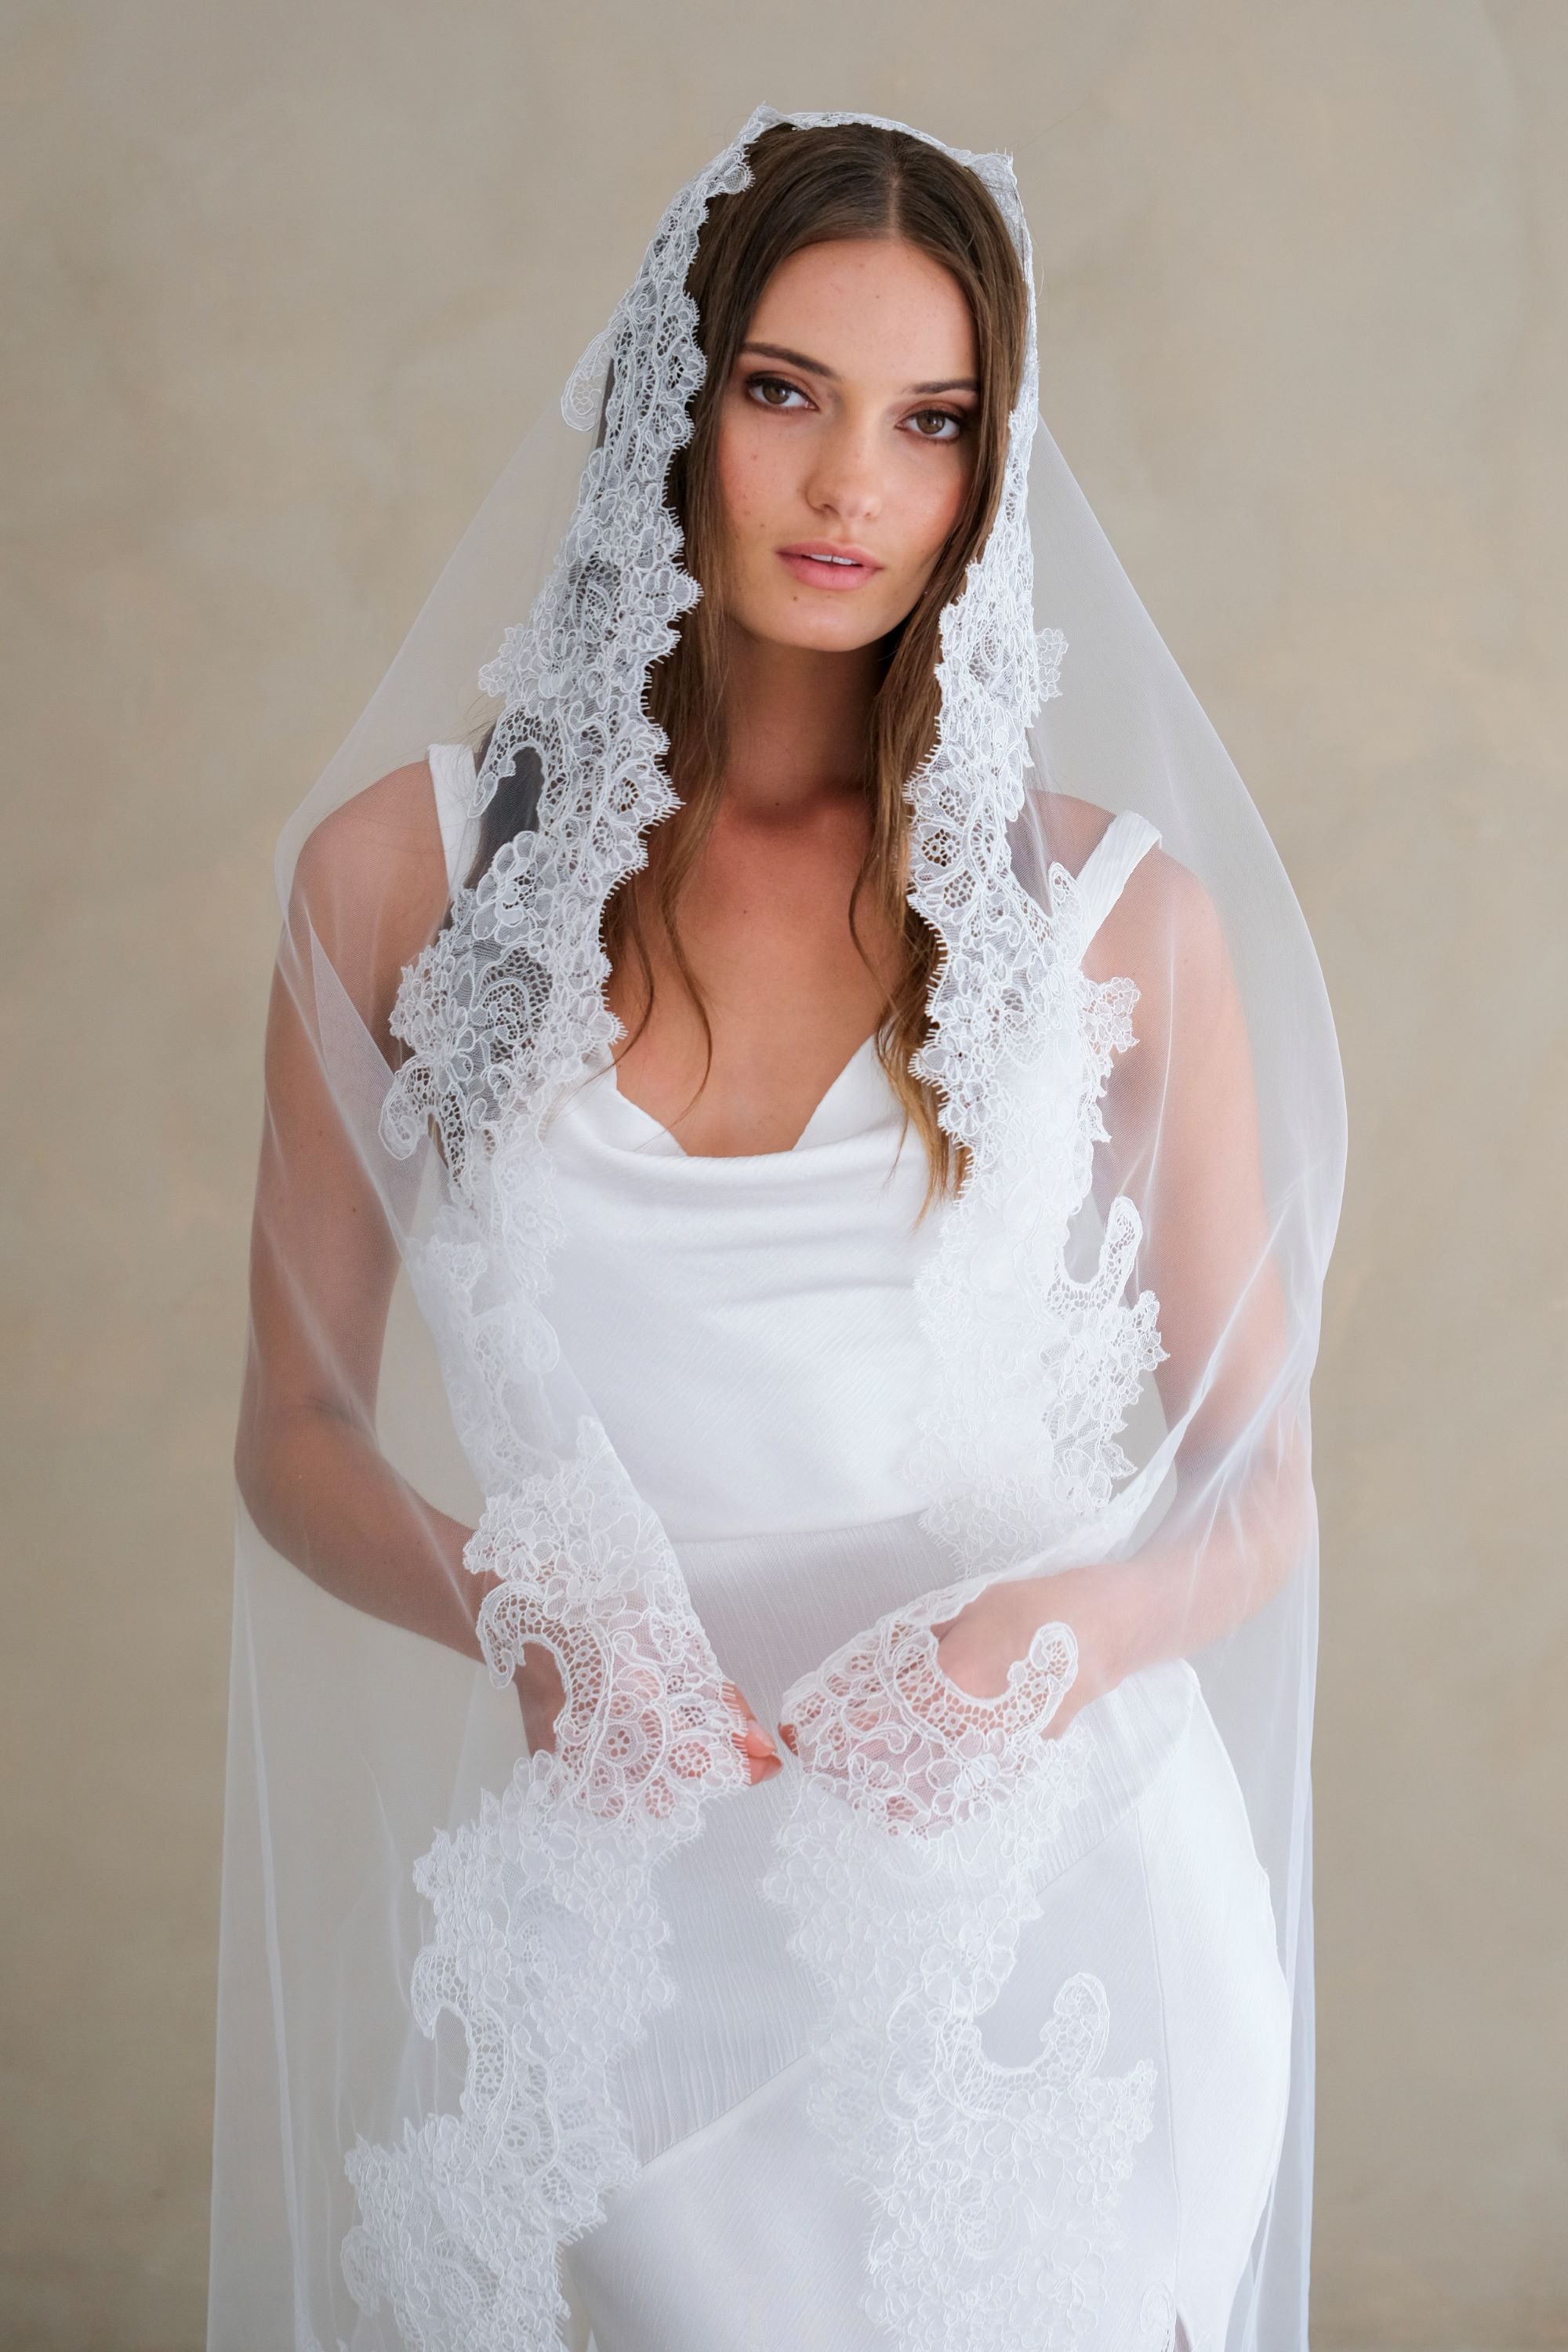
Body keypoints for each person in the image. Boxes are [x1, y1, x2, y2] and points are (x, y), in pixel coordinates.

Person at [212, 107, 1345, 2352]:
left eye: (932, 422)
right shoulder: (403, 885)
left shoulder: (1113, 927)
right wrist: (527, 1623)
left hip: (1051, 1933)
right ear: (676, 398)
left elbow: (1260, 1490)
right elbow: (295, 1434)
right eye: (785, 392)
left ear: (990, 472)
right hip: (637, 1951)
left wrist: (1045, 1640)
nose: (850, 489)